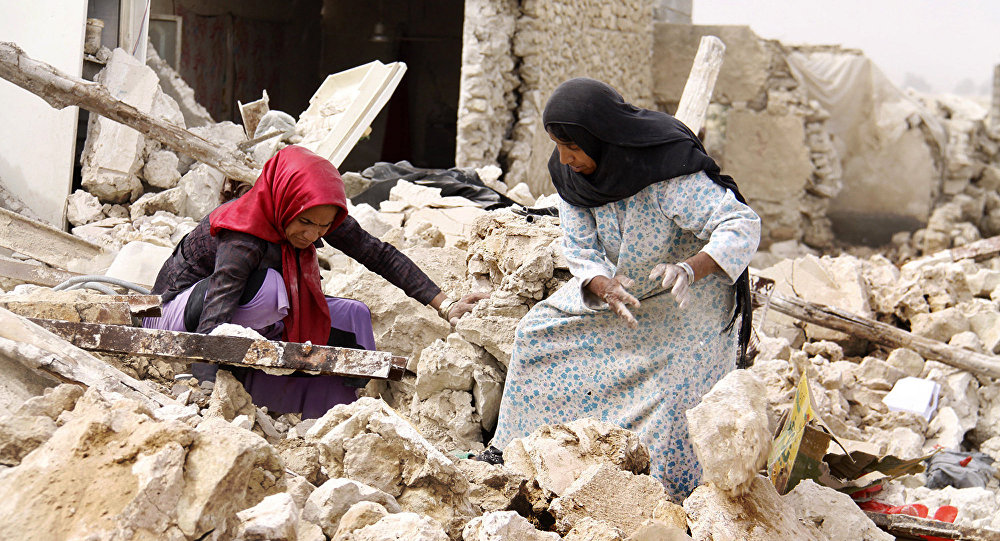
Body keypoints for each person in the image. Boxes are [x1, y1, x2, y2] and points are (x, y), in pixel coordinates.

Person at [489, 78, 760, 499]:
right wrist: (602, 284)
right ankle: (516, 452)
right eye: (558, 145)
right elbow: (580, 247)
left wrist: (691, 269)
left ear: (602, 137)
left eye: (572, 147)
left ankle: (658, 494)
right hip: (622, 294)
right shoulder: (571, 177)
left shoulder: (663, 173)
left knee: (673, 386)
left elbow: (741, 224)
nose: (564, 158)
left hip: (686, 298)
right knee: (536, 335)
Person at [144, 145, 481, 418]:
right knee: (271, 289)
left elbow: (379, 254)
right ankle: (241, 374)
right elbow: (213, 323)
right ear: (286, 202)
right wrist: (208, 393)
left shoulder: (316, 216)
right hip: (175, 317)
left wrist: (446, 305)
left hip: (243, 315)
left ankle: (330, 407)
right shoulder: (242, 236)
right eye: (305, 223)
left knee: (354, 315)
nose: (313, 235)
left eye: (323, 227)